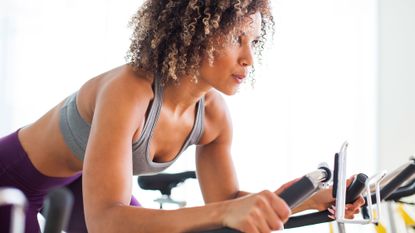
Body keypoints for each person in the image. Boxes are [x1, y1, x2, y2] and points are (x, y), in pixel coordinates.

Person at [0, 1, 364, 232]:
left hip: (77, 183)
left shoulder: (214, 116)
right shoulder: (130, 90)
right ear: (196, 33)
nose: (249, 59)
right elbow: (107, 221)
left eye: (253, 43)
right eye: (237, 38)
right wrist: (226, 212)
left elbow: (224, 199)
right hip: (10, 181)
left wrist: (307, 198)